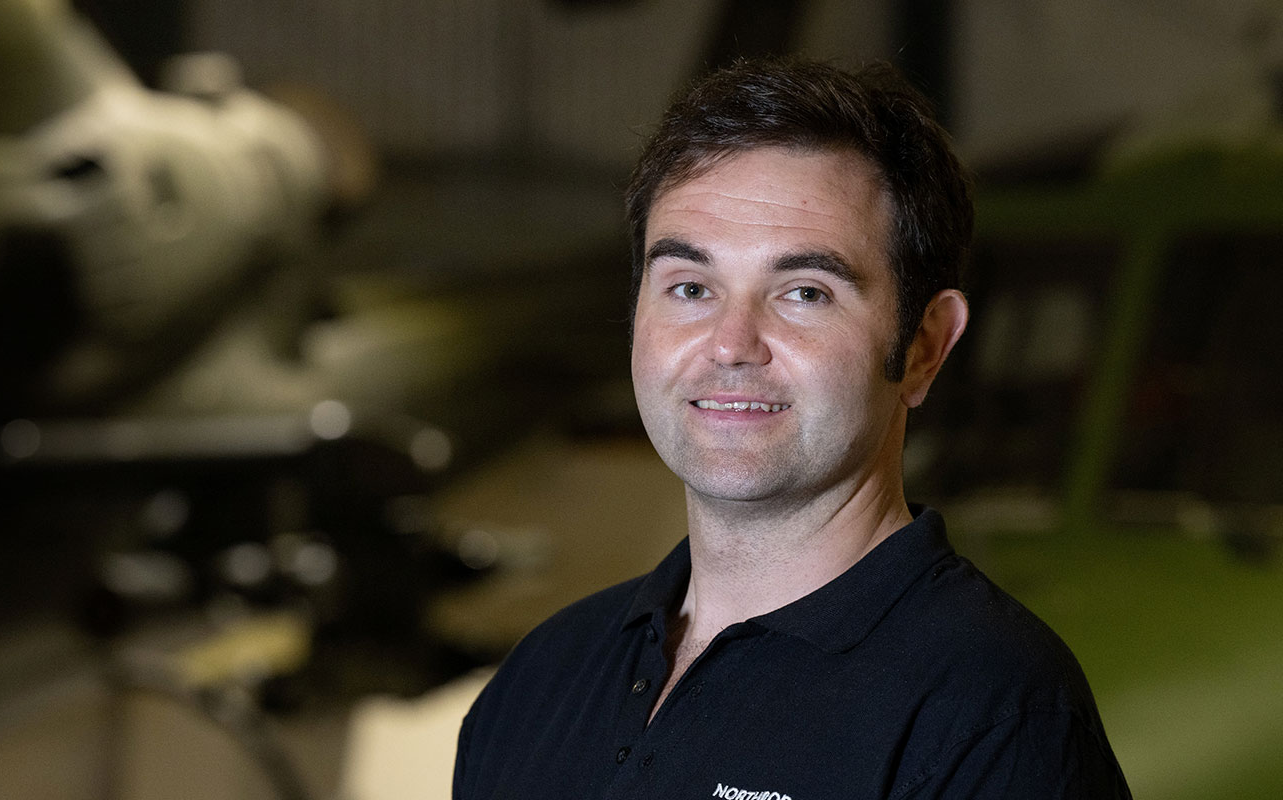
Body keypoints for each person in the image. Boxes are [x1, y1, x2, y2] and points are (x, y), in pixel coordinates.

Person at [453, 57, 1131, 798]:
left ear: (925, 347)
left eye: (805, 292)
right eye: (689, 287)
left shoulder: (995, 718)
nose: (731, 343)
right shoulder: (542, 677)